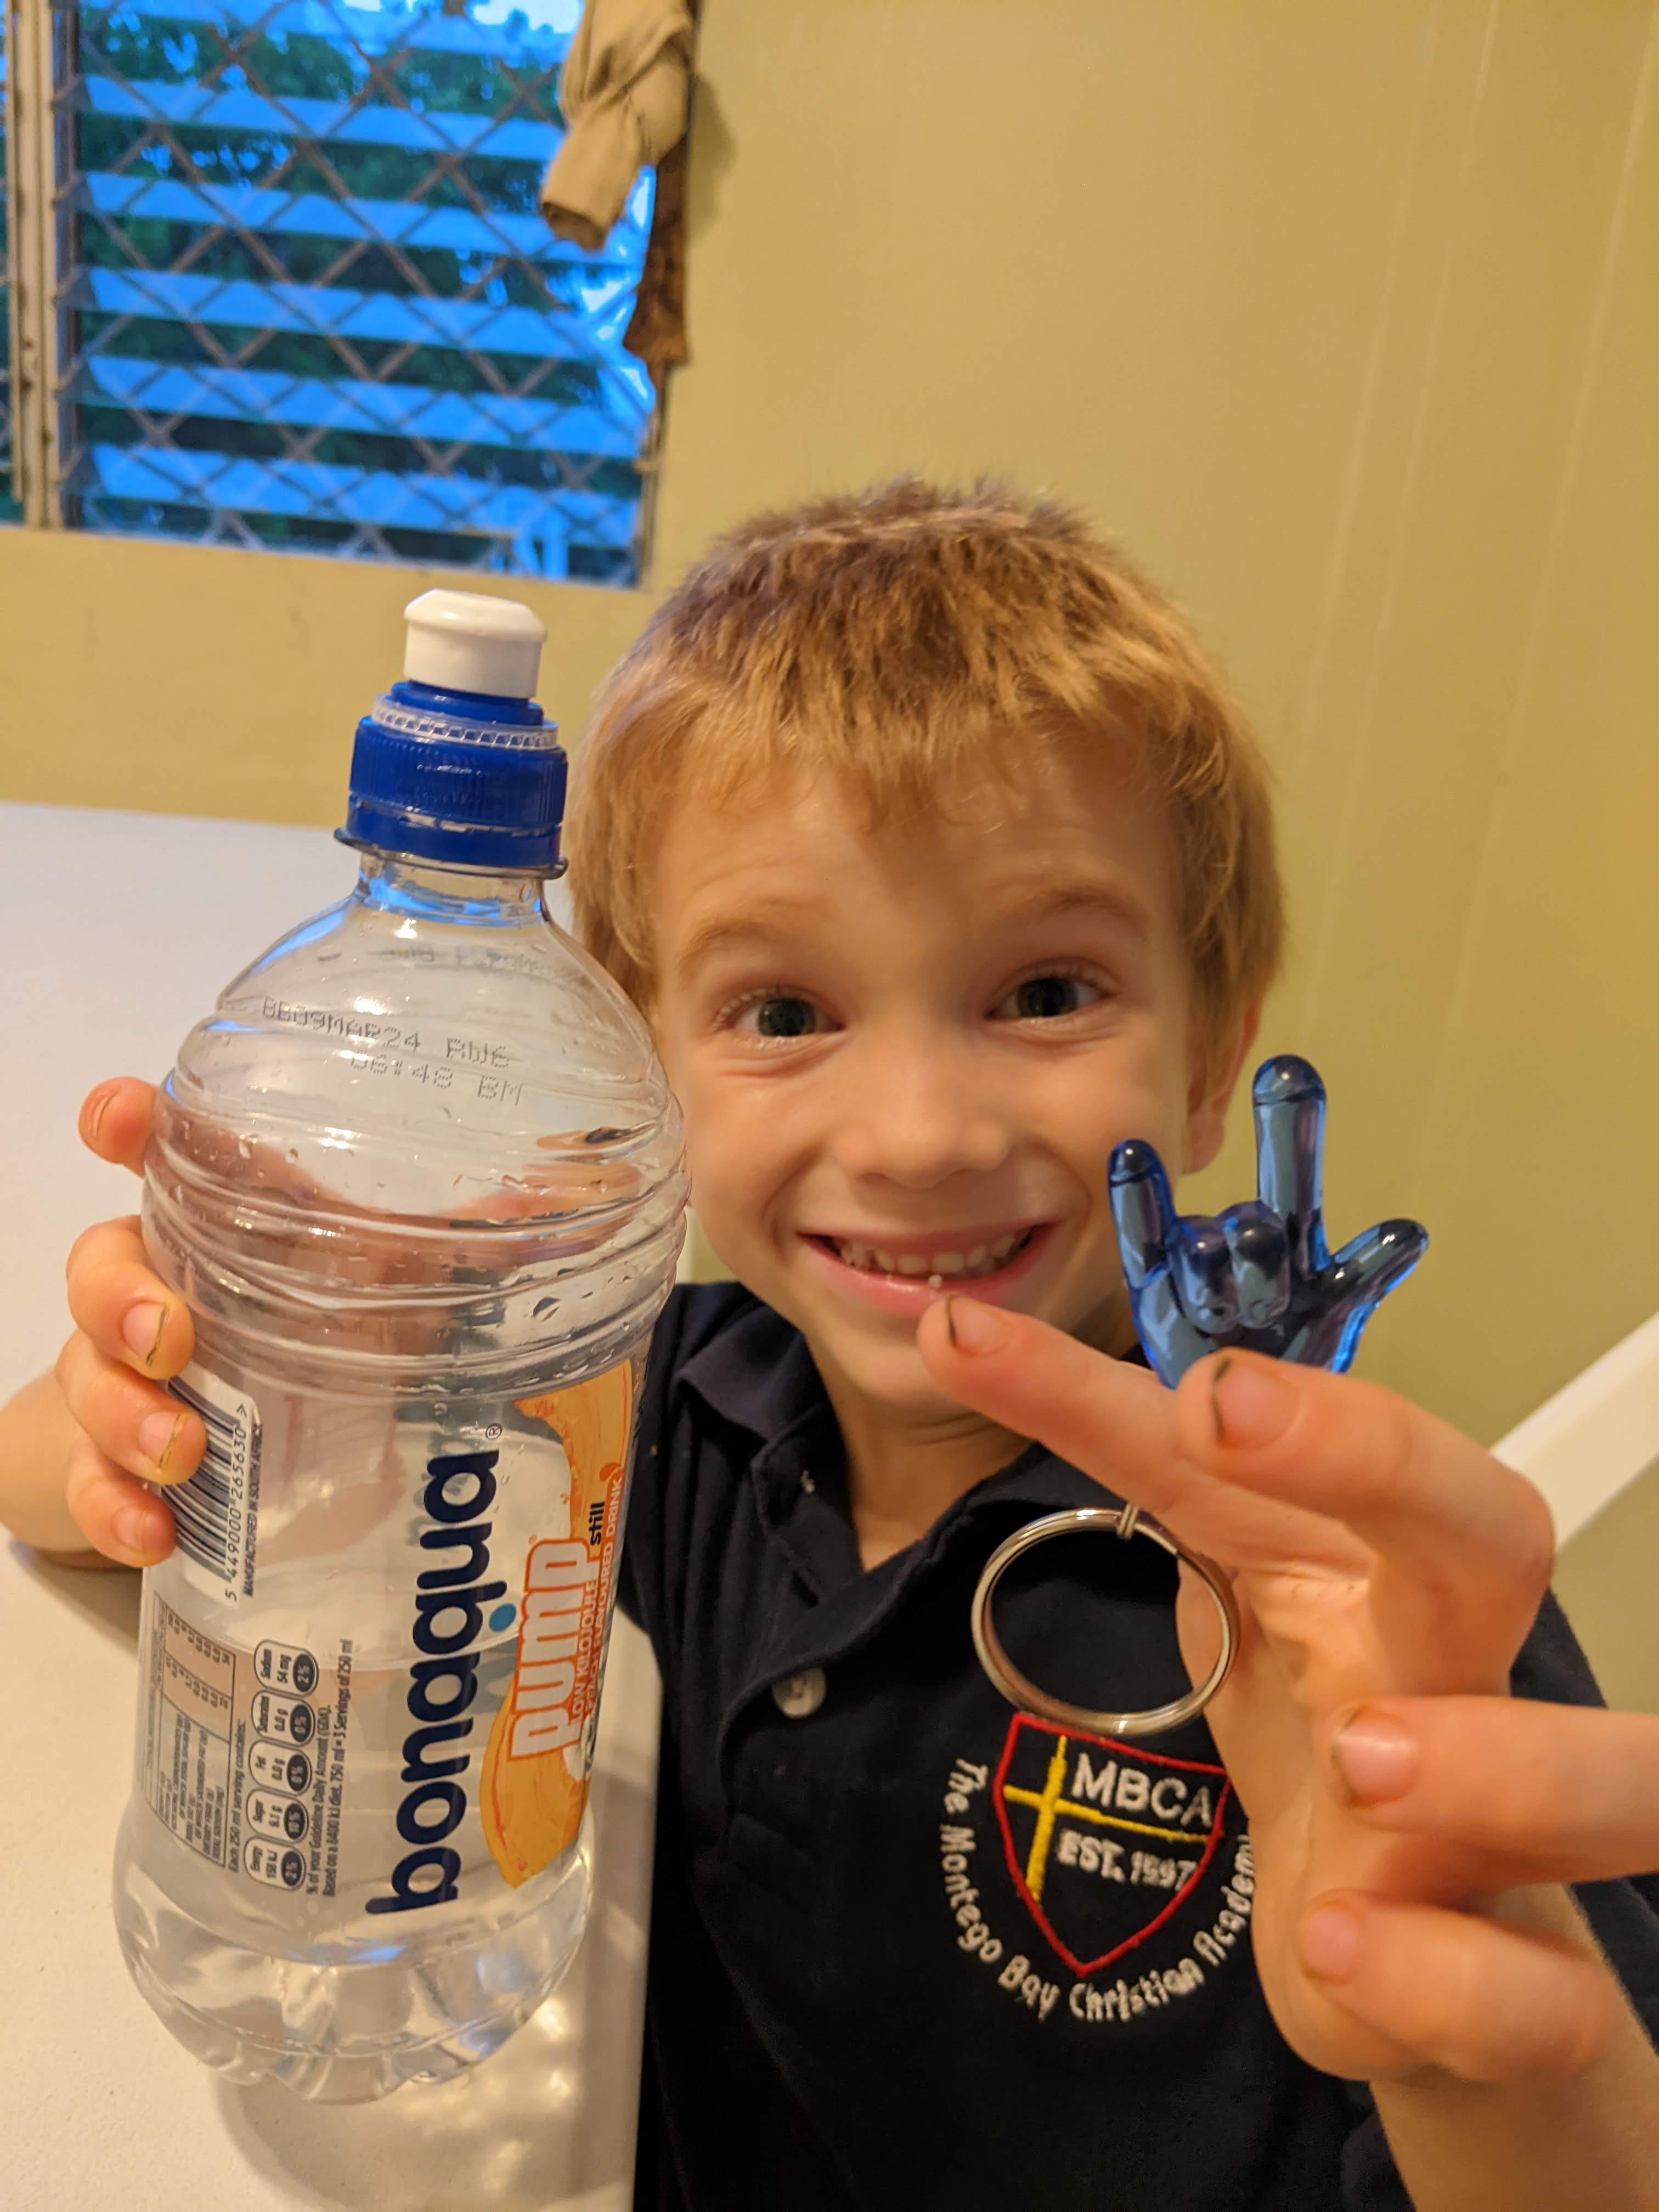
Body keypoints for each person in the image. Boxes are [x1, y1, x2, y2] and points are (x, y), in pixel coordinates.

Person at [4, 479, 1659, 2210]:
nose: (920, 1136)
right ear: (636, 1064)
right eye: (785, 1013)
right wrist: (187, 1393)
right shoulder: (661, 1405)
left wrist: (1459, 2046)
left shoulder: (1350, 1603)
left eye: (1045, 994)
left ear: (1211, 1057)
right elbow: (73, 1503)